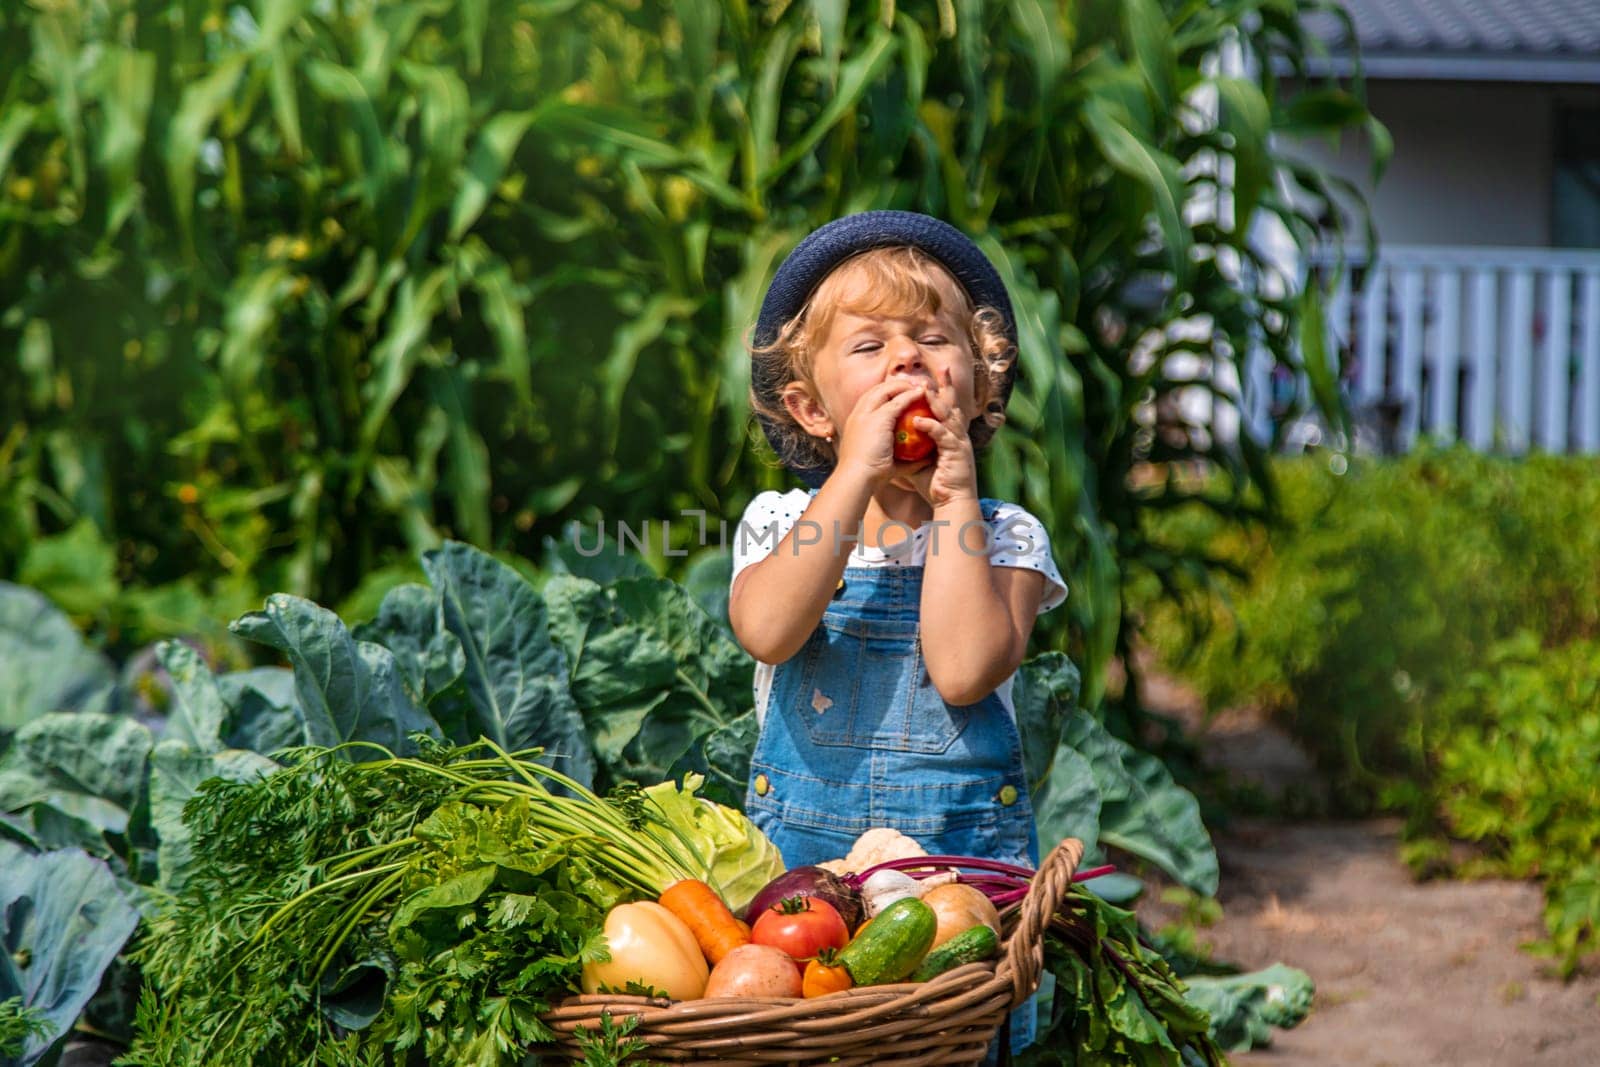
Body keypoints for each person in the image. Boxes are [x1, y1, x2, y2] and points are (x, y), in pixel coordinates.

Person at [726, 210, 1069, 1061]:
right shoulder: (784, 524)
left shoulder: (1006, 538)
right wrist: (852, 479)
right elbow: (768, 630)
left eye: (930, 338)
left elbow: (962, 670)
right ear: (811, 409)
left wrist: (954, 501)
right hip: (801, 903)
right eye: (870, 347)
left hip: (953, 905)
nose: (907, 359)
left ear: (981, 388)